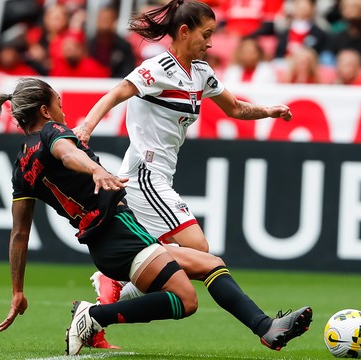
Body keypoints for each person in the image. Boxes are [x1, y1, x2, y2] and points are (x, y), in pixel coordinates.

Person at [0, 77, 312, 356]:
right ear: (46, 111)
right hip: (116, 233)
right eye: (59, 104)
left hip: (113, 235)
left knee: (208, 262)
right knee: (186, 300)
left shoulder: (21, 167)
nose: (63, 112)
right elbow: (66, 153)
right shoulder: (53, 133)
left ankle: (266, 328)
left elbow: (19, 234)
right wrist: (93, 169)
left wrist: (17, 290)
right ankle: (94, 317)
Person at [74, 0, 293, 332]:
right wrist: (87, 128)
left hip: (160, 176)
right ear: (184, 31)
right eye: (206, 35)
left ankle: (113, 290)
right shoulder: (158, 67)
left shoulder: (202, 73)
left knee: (175, 256)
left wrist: (268, 111)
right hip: (143, 176)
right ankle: (262, 327)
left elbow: (234, 108)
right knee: (199, 251)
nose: (210, 43)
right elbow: (116, 93)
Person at [87, 6, 136, 79]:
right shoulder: (88, 44)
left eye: (107, 19)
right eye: (101, 19)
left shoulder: (124, 46)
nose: (103, 22)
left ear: (114, 21)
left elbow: (127, 71)